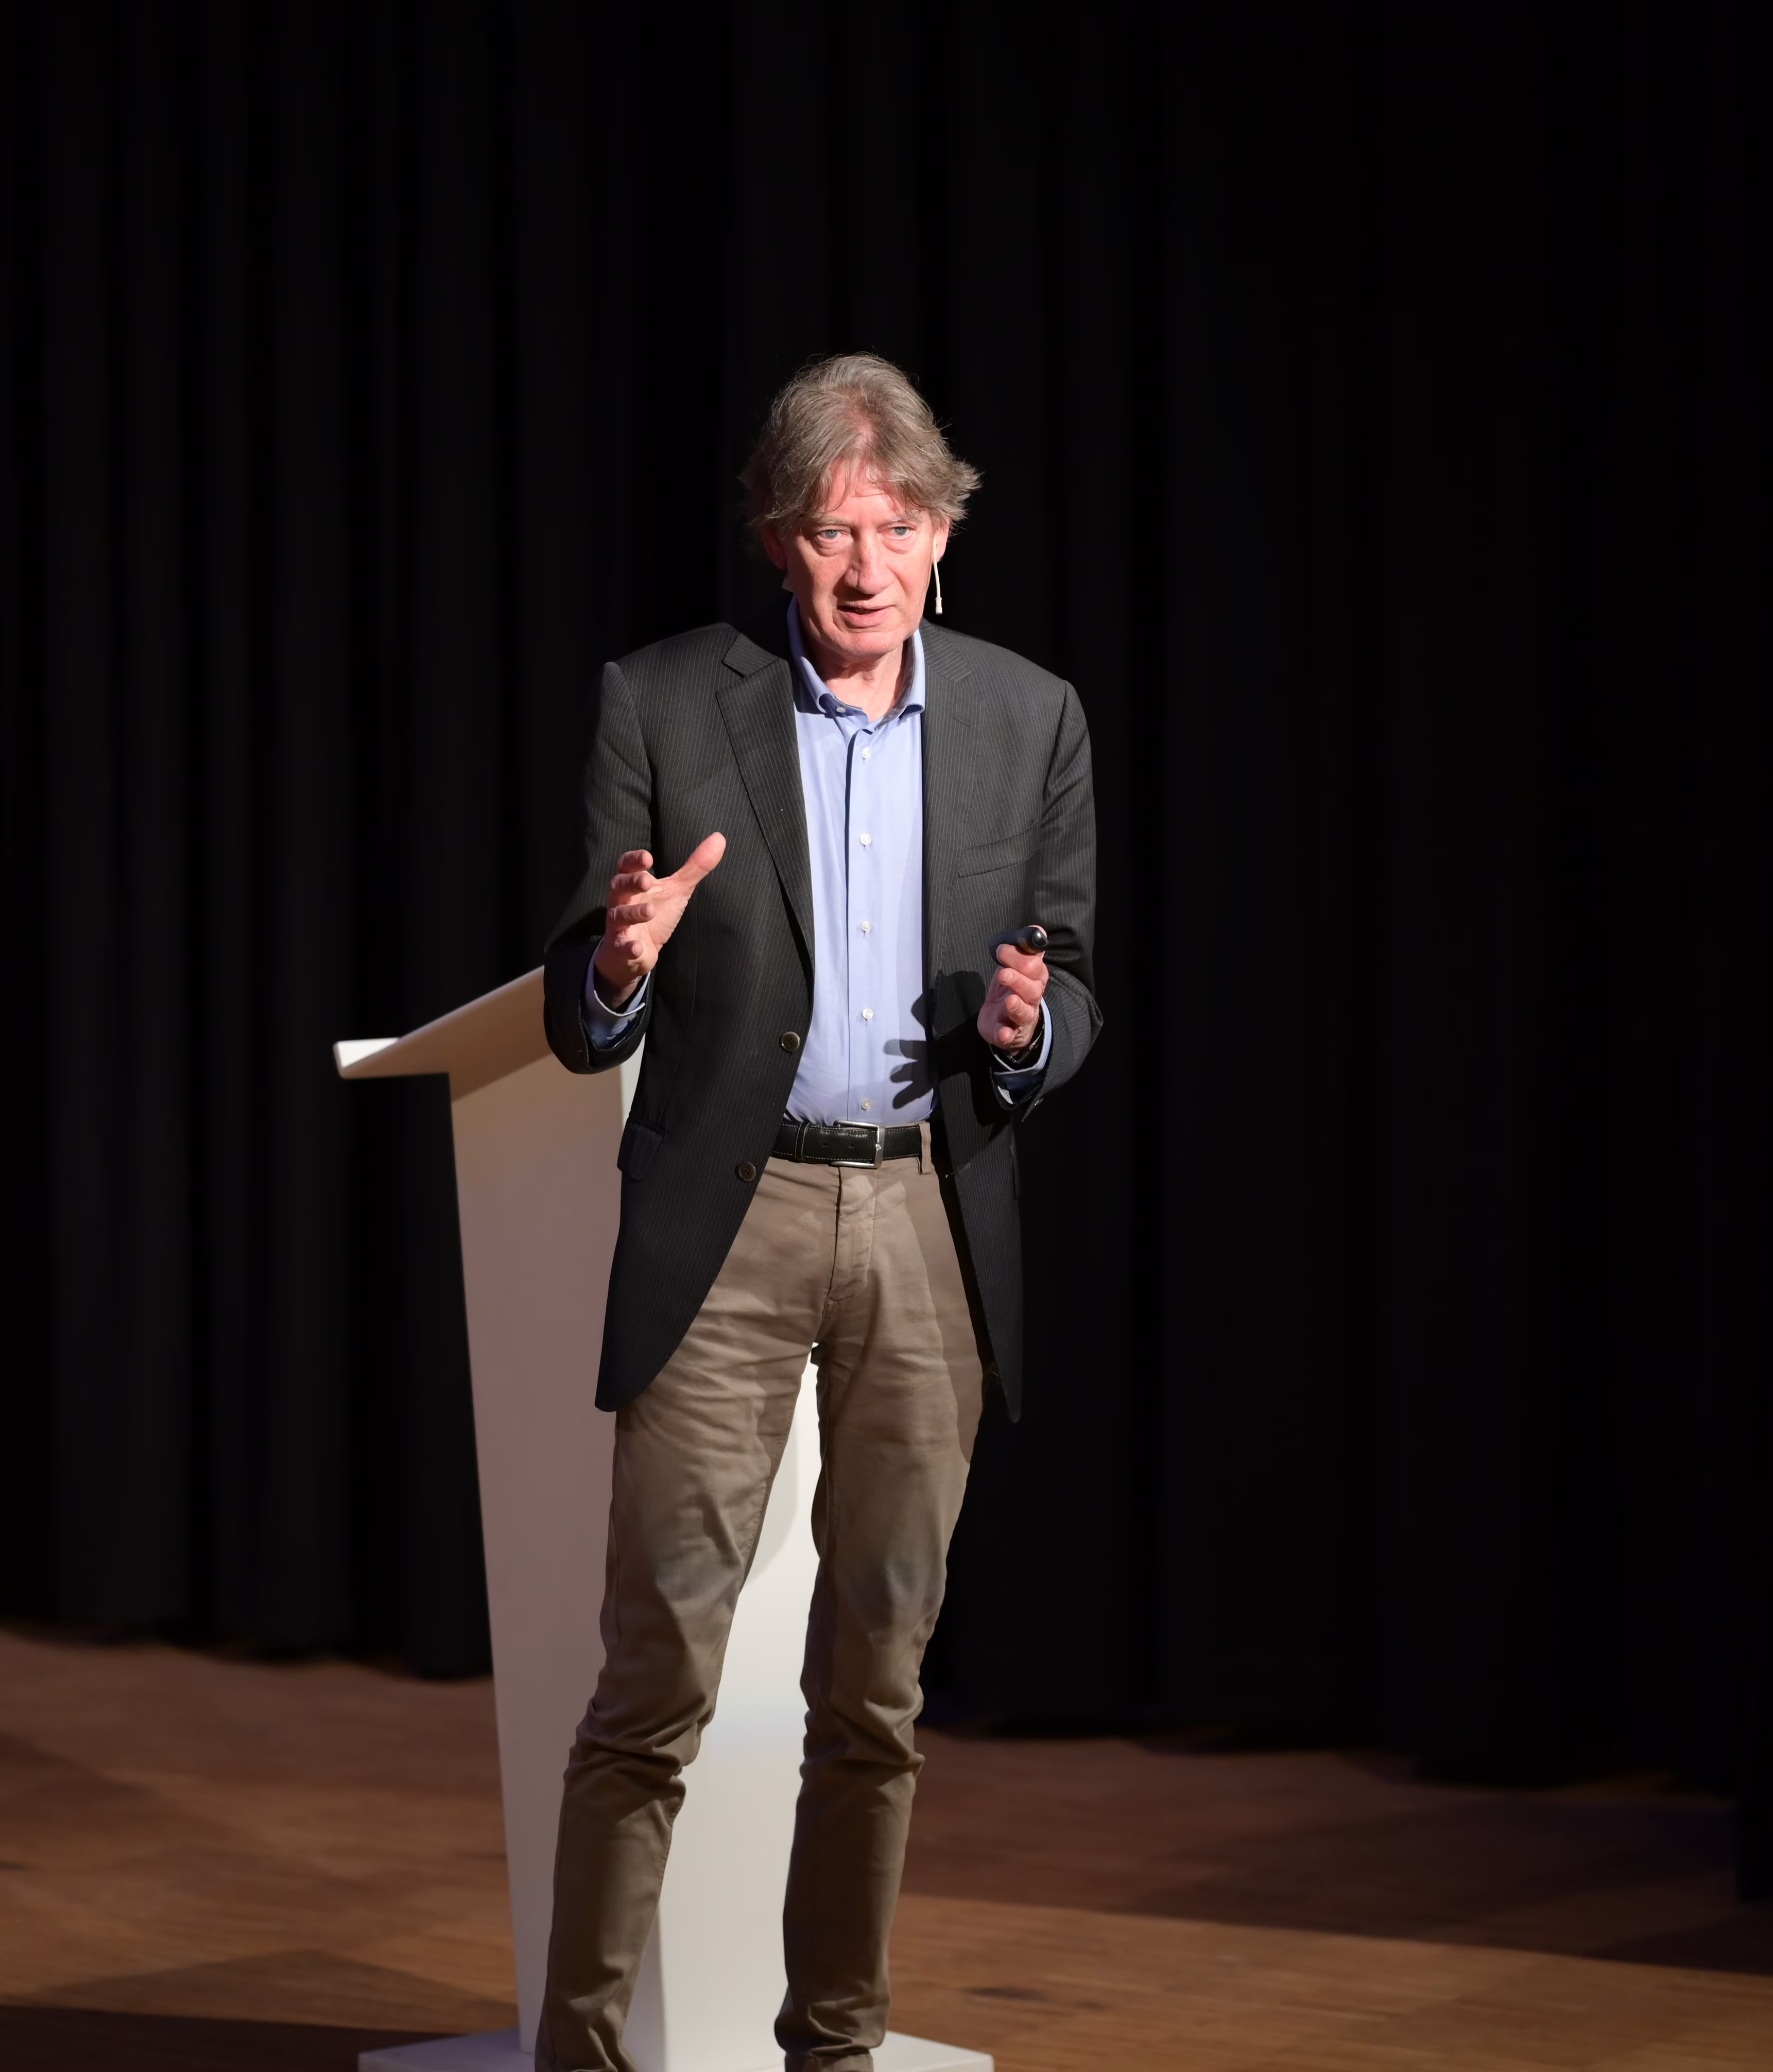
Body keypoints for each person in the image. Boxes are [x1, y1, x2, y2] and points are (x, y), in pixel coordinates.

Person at [531, 352, 1102, 2071]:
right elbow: (579, 1012)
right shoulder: (662, 702)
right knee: (656, 1680)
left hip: (928, 1220)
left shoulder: (1029, 718)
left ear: (944, 535)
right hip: (731, 1219)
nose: (867, 566)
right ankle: (582, 2052)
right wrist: (619, 967)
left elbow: (1073, 980)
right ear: (780, 539)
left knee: (878, 1690)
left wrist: (1032, 1029)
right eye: (833, 530)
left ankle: (835, 2049)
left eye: (899, 527)